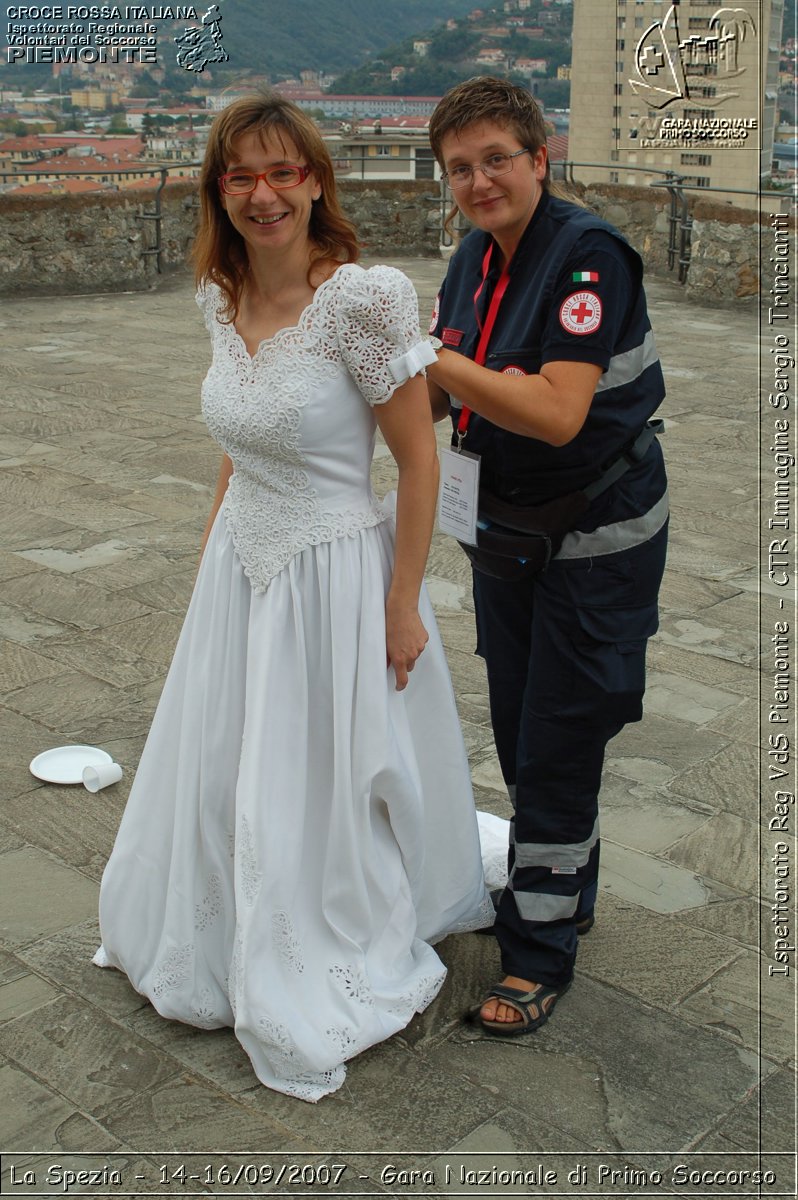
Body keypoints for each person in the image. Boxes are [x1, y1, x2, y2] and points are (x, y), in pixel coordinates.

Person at [93, 89, 494, 1102]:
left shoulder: (361, 301)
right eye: (241, 175)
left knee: (321, 769)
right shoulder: (217, 299)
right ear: (218, 190)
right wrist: (208, 557)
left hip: (333, 575)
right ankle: (218, 929)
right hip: (242, 569)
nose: (263, 194)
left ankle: (324, 937)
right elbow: (241, 444)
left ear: (315, 180)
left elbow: (415, 462)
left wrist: (405, 605)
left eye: (282, 173)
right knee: (228, 760)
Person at [425, 77, 668, 1037]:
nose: (479, 181)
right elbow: (446, 391)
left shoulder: (587, 258)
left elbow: (560, 409)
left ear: (540, 157)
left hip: (593, 540)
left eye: (496, 159)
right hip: (507, 532)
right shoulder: (472, 259)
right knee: (527, 732)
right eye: (460, 168)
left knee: (558, 740)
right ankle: (563, 894)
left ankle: (537, 957)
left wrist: (422, 360)